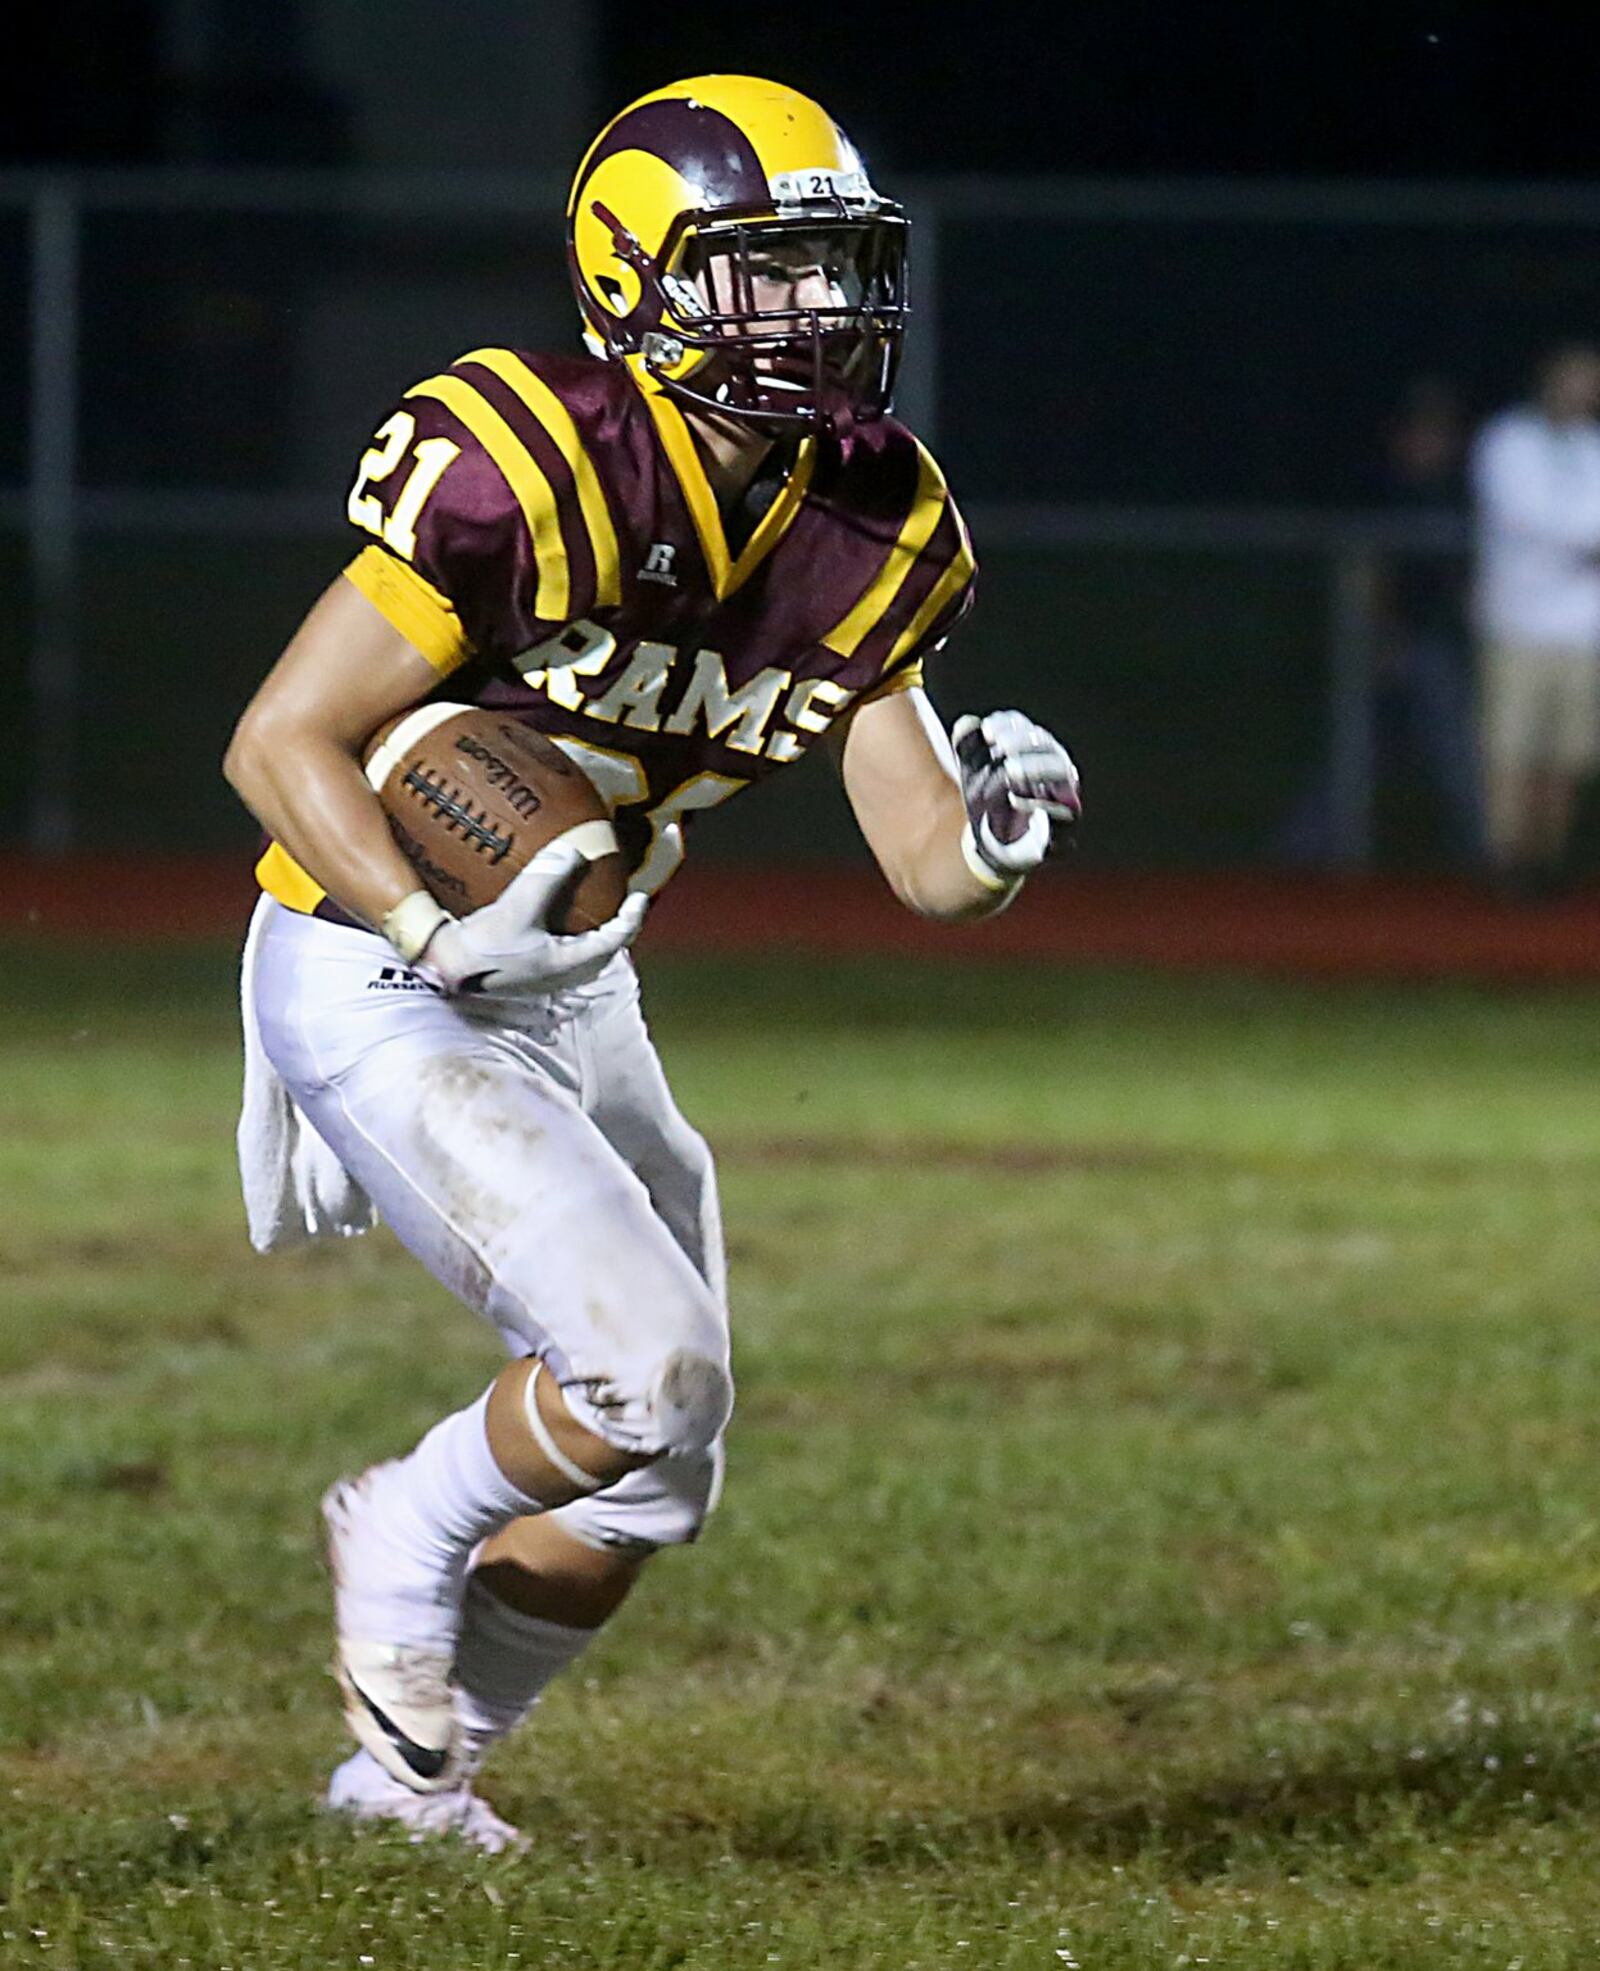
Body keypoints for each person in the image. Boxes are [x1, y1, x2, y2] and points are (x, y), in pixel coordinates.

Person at [223, 74, 1081, 1853]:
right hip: (381, 947)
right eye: (771, 273)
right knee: (642, 1369)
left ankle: (405, 1789)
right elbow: (284, 740)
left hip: (570, 973)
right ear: (641, 282)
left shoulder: (875, 514)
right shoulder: (534, 455)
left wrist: (993, 837)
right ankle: (404, 1521)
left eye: (838, 269)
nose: (823, 312)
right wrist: (423, 924)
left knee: (659, 1469)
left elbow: (919, 852)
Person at [1276, 376, 1481, 871]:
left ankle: (1485, 855)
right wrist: (1381, 636)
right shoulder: (1385, 491)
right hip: (1390, 645)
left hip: (1446, 648)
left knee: (1456, 753)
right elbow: (1367, 575)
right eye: (1418, 432)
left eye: (1438, 434)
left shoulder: (1464, 495)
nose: (1427, 443)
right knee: (1356, 752)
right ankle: (1300, 855)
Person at [1470, 341, 1600, 894]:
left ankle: (1547, 859)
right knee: (1510, 750)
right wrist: (1582, 541)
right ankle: (1507, 860)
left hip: (1584, 626)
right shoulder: (1508, 441)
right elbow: (1521, 515)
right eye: (1573, 378)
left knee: (1568, 755)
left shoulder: (1594, 448)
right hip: (1516, 623)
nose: (1582, 390)